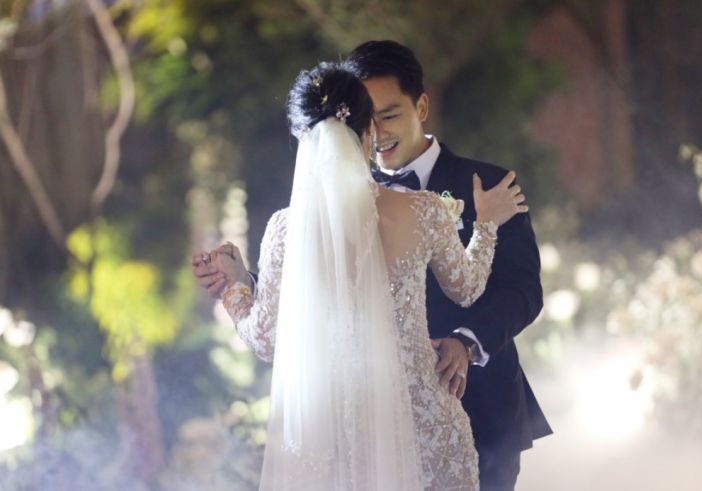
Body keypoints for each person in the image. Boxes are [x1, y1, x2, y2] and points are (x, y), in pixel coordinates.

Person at [192, 62, 527, 490]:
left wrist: (236, 286)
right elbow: (467, 289)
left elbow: (265, 338)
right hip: (425, 423)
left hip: (330, 436)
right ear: (367, 131)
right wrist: (485, 226)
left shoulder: (284, 229)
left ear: (303, 141)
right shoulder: (423, 211)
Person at [342, 40, 552, 490]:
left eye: (389, 114)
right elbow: (322, 284)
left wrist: (465, 341)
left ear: (420, 105)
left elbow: (522, 290)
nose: (377, 134)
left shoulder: (488, 183)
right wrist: (244, 281)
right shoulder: (348, 201)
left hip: (483, 411)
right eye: (365, 119)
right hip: (384, 423)